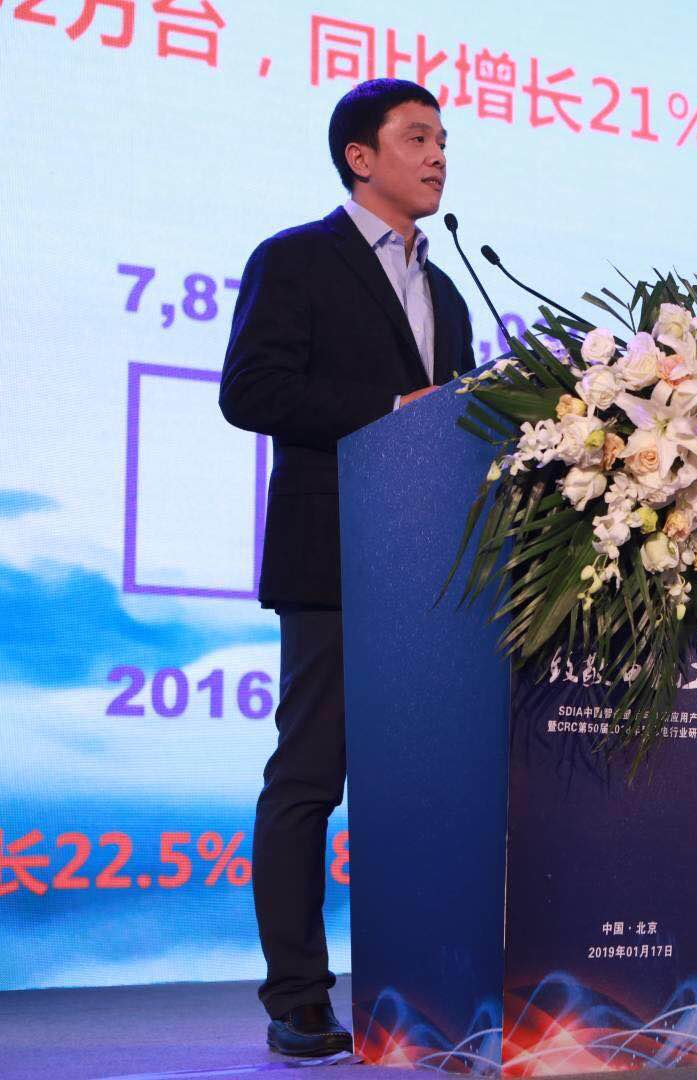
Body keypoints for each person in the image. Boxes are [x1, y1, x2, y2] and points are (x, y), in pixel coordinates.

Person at [219, 78, 475, 1058]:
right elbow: (251, 392)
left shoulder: (448, 290)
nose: (438, 155)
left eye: (443, 139)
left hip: (430, 574)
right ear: (359, 158)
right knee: (309, 779)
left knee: (423, 790)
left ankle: (425, 989)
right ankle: (297, 998)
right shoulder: (295, 259)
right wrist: (391, 411)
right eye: (417, 137)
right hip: (331, 559)